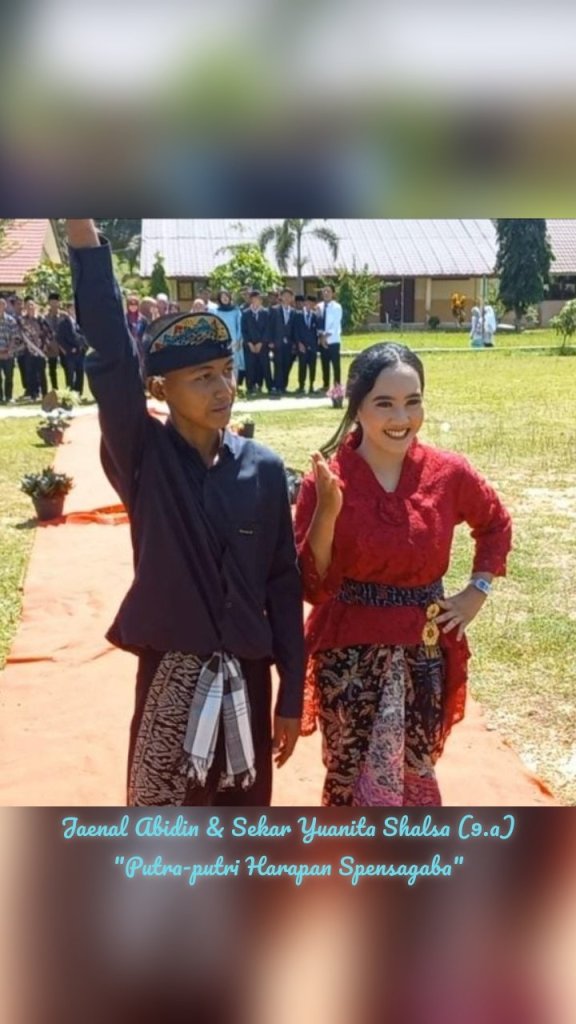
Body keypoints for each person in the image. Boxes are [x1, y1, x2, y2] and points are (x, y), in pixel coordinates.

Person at [66, 219, 304, 807]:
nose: (223, 388)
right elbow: (111, 353)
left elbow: (282, 583)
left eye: (227, 371)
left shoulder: (264, 469)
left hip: (248, 679)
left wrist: (290, 692)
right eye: (202, 377)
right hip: (170, 679)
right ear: (159, 390)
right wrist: (82, 230)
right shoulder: (143, 458)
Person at [294, 342, 512, 807]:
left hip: (424, 651)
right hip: (349, 656)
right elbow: (312, 585)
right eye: (384, 403)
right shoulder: (327, 479)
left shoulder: (448, 473)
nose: (401, 418)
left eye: (413, 402)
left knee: (415, 774)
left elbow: (495, 523)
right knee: (351, 777)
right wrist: (327, 512)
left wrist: (477, 590)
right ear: (357, 406)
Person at [240, 289, 273, 396]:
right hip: (249, 345)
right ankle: (250, 387)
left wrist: (261, 343)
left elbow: (268, 329)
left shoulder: (266, 313)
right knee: (250, 367)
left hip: (262, 345)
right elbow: (243, 330)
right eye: (253, 299)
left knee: (265, 366)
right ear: (251, 300)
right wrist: (249, 343)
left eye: (257, 299)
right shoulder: (245, 313)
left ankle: (270, 387)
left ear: (261, 300)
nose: (255, 301)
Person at [20, 297, 51, 401]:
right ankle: (33, 394)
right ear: (25, 308)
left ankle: (45, 394)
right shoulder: (22, 320)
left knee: (42, 373)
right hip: (28, 350)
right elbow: (19, 335)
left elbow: (49, 333)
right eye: (28, 306)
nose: (30, 308)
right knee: (30, 373)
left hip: (41, 350)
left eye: (32, 306)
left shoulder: (41, 319)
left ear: (35, 307)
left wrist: (45, 345)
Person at [268, 287, 296, 394]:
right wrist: (270, 341)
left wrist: (294, 343)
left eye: (289, 296)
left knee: (287, 364)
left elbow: (294, 329)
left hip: (289, 343)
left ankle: (284, 386)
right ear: (281, 297)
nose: (287, 298)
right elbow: (270, 326)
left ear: (292, 298)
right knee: (278, 364)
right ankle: (277, 386)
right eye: (285, 296)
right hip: (277, 342)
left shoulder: (293, 312)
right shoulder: (274, 310)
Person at [216, 288, 244, 388]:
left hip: (234, 341)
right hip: (221, 342)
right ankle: (226, 386)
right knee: (223, 364)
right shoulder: (216, 312)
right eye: (222, 297)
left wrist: (238, 340)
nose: (225, 299)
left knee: (234, 364)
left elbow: (240, 325)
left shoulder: (236, 311)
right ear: (219, 299)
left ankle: (234, 386)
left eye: (226, 296)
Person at [317, 284, 342, 391]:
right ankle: (326, 385)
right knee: (324, 363)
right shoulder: (319, 306)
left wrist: (325, 337)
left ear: (333, 294)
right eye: (324, 291)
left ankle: (337, 386)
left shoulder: (337, 307)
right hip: (322, 340)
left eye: (328, 291)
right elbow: (318, 323)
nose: (326, 293)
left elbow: (335, 324)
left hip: (333, 340)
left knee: (335, 364)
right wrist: (321, 336)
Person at [293, 294, 319, 395]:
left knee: (312, 366)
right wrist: (299, 343)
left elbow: (317, 331)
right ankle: (301, 386)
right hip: (302, 345)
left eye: (311, 304)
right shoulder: (298, 315)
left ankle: (312, 385)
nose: (309, 305)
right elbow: (295, 331)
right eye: (307, 303)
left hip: (312, 346)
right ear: (304, 303)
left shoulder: (315, 316)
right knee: (302, 366)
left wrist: (315, 345)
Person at [0, 297, 19, 403]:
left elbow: (15, 337)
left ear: (5, 307)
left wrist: (9, 351)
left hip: (8, 354)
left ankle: (8, 396)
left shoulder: (11, 320)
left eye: (2, 305)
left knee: (9, 377)